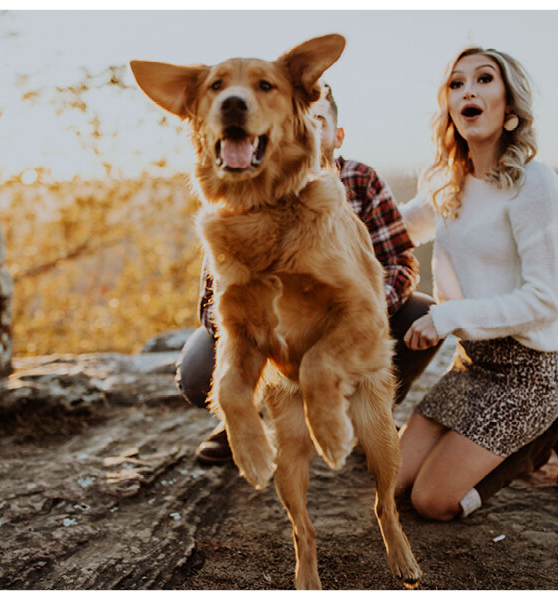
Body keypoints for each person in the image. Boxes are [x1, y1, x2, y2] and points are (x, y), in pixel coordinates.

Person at [176, 83, 442, 464]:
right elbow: (212, 296)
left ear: (338, 134)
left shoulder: (361, 181)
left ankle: (366, 414)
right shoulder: (248, 184)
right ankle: (245, 419)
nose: (306, 130)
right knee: (199, 371)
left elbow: (399, 262)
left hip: (343, 321)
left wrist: (356, 317)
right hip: (267, 327)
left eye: (317, 121)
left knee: (422, 315)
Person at [394, 47, 558, 521]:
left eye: (484, 79)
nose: (468, 89)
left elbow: (545, 303)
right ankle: (523, 435)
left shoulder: (535, 183)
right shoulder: (450, 183)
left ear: (509, 107)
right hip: (472, 365)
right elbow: (393, 230)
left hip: (528, 374)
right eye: (456, 83)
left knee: (434, 501)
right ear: (449, 107)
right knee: (391, 480)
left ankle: (550, 432)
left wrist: (446, 316)